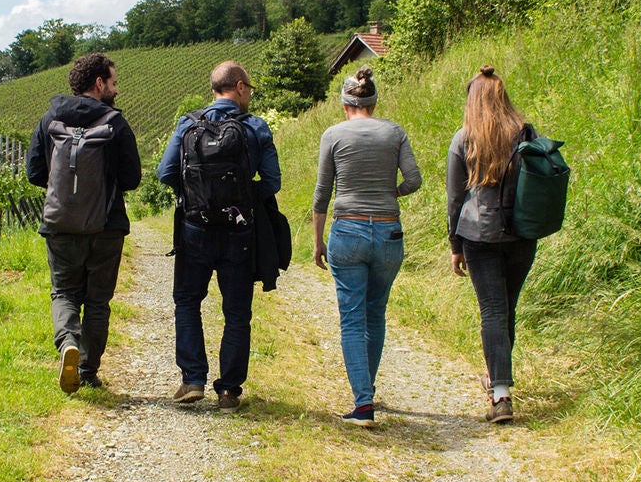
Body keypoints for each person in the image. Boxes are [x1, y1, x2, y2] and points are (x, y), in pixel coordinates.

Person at [157, 60, 281, 411]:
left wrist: (195, 195)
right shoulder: (255, 126)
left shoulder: (188, 124)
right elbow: (272, 182)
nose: (250, 95)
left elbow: (165, 172)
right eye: (250, 89)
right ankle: (228, 391)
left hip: (194, 229)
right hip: (239, 232)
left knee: (187, 301)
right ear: (239, 87)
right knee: (237, 312)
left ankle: (193, 379)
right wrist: (241, 198)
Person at [311, 66, 421, 426]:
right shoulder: (394, 132)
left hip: (348, 231)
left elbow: (322, 194)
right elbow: (414, 180)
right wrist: (390, 193)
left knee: (352, 319)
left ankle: (363, 403)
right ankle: (368, 390)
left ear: (345, 104)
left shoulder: (333, 135)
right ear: (373, 102)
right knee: (376, 313)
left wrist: (317, 241)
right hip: (389, 231)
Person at [26, 52, 141, 394]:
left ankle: (67, 345)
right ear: (99, 83)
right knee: (97, 301)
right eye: (114, 82)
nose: (116, 89)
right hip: (106, 227)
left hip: (60, 225)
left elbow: (34, 173)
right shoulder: (115, 123)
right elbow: (132, 178)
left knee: (64, 292)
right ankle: (88, 371)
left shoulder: (50, 119)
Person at [445, 67, 538, 424]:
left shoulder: (465, 138)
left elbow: (455, 198)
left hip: (479, 235)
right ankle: (496, 379)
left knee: (493, 312)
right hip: (521, 234)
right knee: (507, 309)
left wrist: (455, 244)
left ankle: (500, 393)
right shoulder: (526, 133)